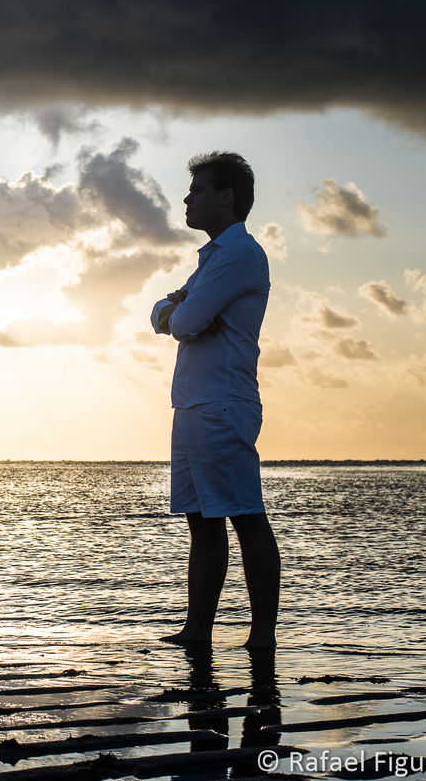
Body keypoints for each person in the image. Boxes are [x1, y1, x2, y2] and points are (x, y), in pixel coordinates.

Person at [150, 151, 280, 648]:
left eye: (198, 190)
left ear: (227, 197)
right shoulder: (212, 261)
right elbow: (169, 313)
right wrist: (176, 311)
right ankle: (197, 630)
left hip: (222, 403)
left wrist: (177, 313)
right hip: (193, 403)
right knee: (201, 520)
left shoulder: (239, 255)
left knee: (245, 514)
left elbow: (181, 321)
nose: (187, 198)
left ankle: (261, 637)